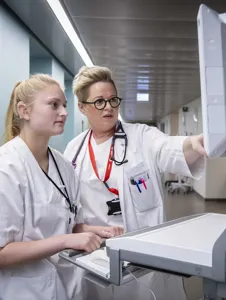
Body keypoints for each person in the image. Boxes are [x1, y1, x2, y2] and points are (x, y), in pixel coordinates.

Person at [64, 65, 207, 300]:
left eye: (113, 100)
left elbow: (168, 149)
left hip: (141, 247)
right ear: (82, 107)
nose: (108, 107)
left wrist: (194, 143)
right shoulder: (74, 150)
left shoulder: (142, 136)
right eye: (99, 102)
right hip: (95, 253)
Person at [0, 74, 123, 300]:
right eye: (54, 105)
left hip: (66, 286)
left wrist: (95, 231)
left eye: (64, 105)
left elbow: (70, 225)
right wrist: (65, 241)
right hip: (22, 291)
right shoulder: (6, 168)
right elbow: (2, 253)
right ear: (24, 111)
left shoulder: (64, 165)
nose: (64, 113)